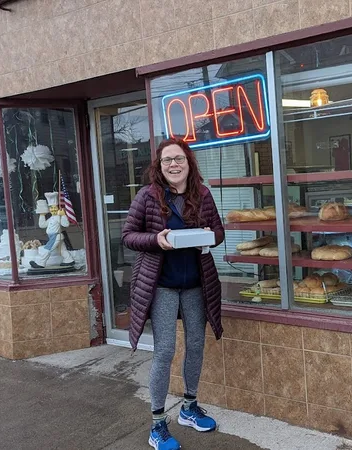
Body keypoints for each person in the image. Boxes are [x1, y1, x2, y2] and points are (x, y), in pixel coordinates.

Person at [122, 138, 225, 450]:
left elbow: (219, 232)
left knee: (195, 346)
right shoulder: (147, 196)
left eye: (179, 159)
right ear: (159, 166)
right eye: (167, 160)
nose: (174, 165)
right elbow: (128, 236)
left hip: (196, 284)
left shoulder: (203, 195)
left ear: (189, 163)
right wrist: (157, 239)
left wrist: (207, 237)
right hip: (162, 286)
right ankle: (156, 425)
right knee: (164, 351)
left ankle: (189, 408)